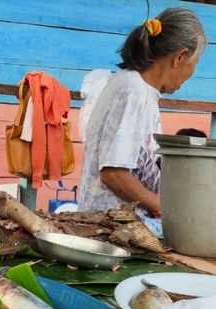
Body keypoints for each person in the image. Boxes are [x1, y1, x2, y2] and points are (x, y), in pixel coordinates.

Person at [78, 7, 207, 216]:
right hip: (108, 228)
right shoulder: (132, 91)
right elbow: (113, 174)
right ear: (180, 57)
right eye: (196, 62)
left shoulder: (143, 91)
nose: (193, 72)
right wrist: (164, 208)